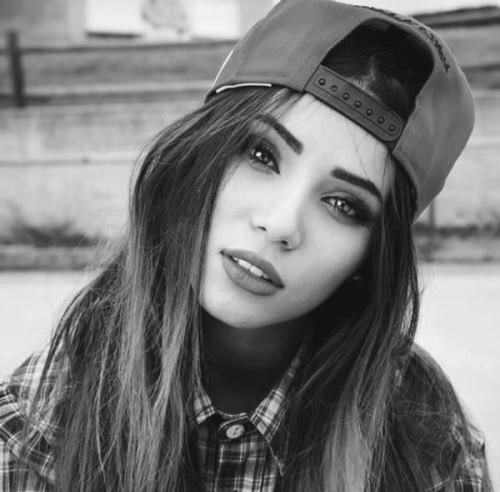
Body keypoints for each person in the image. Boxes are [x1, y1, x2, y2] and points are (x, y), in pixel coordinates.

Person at [0, 0, 493, 490]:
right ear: (197, 154)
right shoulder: (32, 426)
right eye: (261, 154)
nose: (280, 224)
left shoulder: (426, 445)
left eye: (344, 205)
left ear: (373, 256)